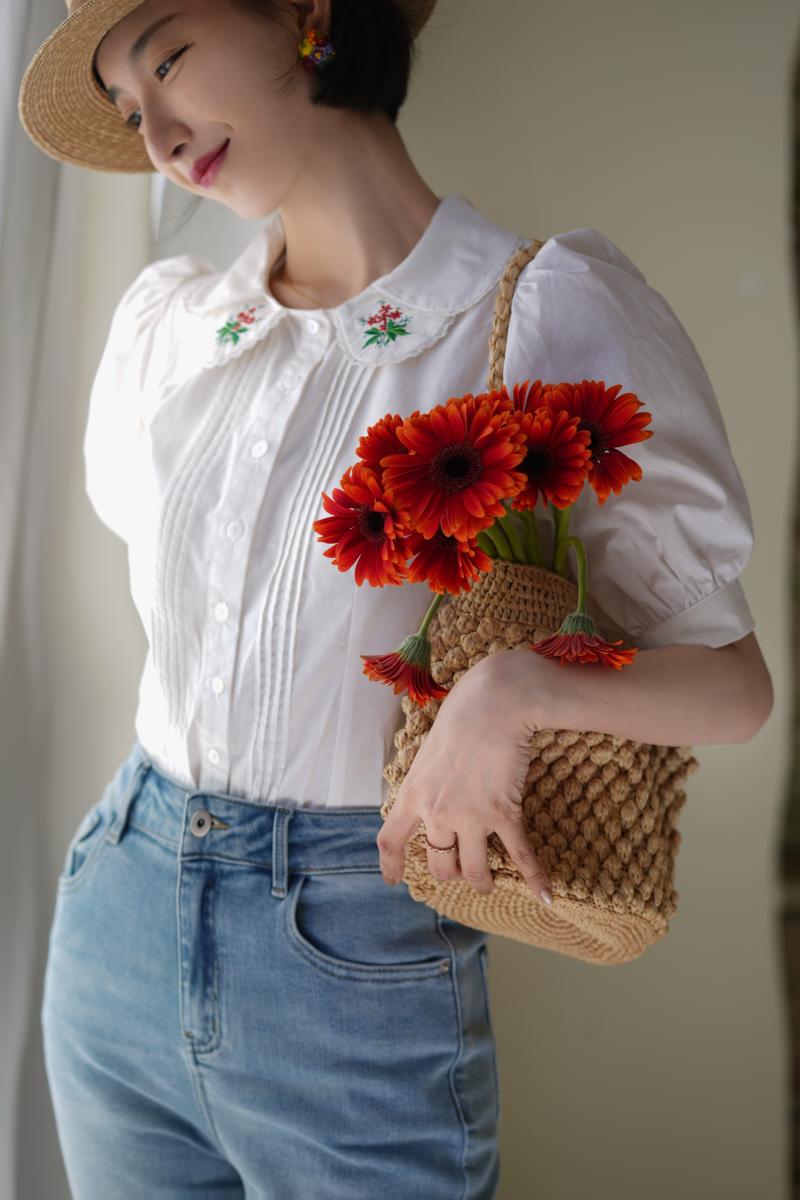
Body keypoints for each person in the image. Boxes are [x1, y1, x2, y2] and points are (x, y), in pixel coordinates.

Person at [17, 0, 773, 1197]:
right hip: (118, 910)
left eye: (166, 59)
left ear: (305, 13)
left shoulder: (541, 312)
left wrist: (509, 693)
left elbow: (731, 691)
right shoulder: (172, 328)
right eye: (127, 107)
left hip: (351, 951)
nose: (157, 133)